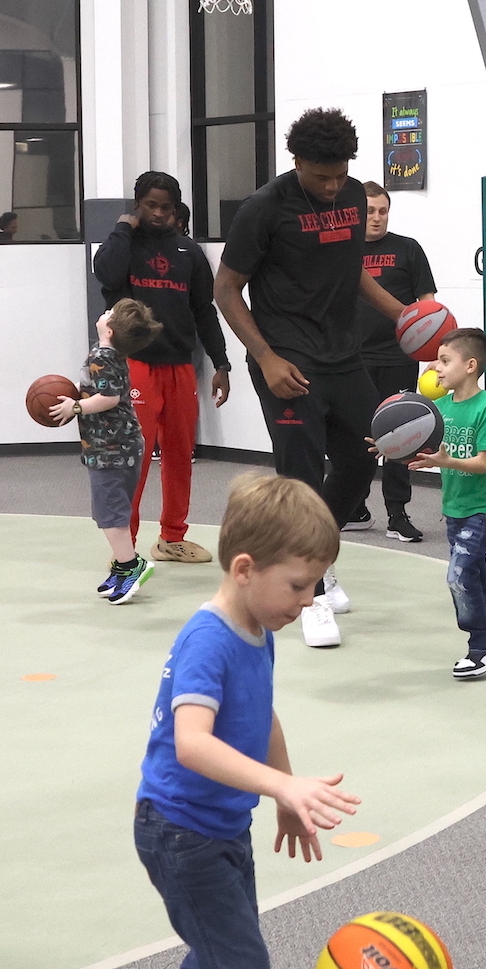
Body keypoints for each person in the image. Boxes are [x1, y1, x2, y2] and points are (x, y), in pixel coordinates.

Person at [109, 472, 357, 969]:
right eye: (300, 585)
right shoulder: (210, 638)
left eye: (315, 587)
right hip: (181, 835)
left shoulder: (257, 627)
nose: (308, 602)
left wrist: (283, 788)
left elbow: (261, 712)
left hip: (215, 830)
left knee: (216, 962)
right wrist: (279, 790)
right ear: (245, 569)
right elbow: (192, 743)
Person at [214, 109, 411, 649]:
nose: (331, 187)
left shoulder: (348, 197)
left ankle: (316, 561)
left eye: (339, 174)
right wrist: (266, 357)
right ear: (296, 161)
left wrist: (406, 317)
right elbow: (226, 289)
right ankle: (310, 593)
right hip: (286, 357)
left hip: (343, 355)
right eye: (320, 176)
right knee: (299, 470)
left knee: (366, 453)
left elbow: (354, 273)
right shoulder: (264, 209)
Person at [95, 172, 233, 564]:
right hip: (135, 365)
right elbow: (104, 275)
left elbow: (204, 311)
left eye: (166, 207)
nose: (158, 213)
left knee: (179, 456)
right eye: (150, 206)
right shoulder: (122, 247)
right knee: (135, 460)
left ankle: (172, 537)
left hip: (179, 367)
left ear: (176, 209)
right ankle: (126, 547)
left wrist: (221, 362)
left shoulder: (188, 252)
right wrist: (124, 227)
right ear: (137, 205)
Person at [410, 328, 486, 680]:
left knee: (459, 575)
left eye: (444, 360)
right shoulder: (439, 408)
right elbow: (421, 441)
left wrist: (445, 462)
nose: (436, 367)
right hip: (453, 507)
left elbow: (482, 463)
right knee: (475, 574)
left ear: (470, 365)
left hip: (483, 506)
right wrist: (391, 444)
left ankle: (481, 646)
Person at [52, 299, 163, 603]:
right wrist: (75, 390)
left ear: (110, 330)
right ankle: (121, 564)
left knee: (111, 513)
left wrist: (75, 406)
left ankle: (131, 566)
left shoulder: (103, 355)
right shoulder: (109, 355)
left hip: (112, 449)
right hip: (115, 446)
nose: (104, 314)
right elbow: (97, 385)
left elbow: (109, 397)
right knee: (110, 510)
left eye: (109, 314)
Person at [349, 179, 435, 541]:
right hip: (351, 358)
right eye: (370, 211)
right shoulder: (342, 252)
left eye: (383, 211)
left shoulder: (408, 249)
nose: (377, 217)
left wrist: (434, 354)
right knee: (355, 436)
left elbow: (427, 305)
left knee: (402, 435)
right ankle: (354, 508)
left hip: (398, 357)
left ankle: (397, 514)